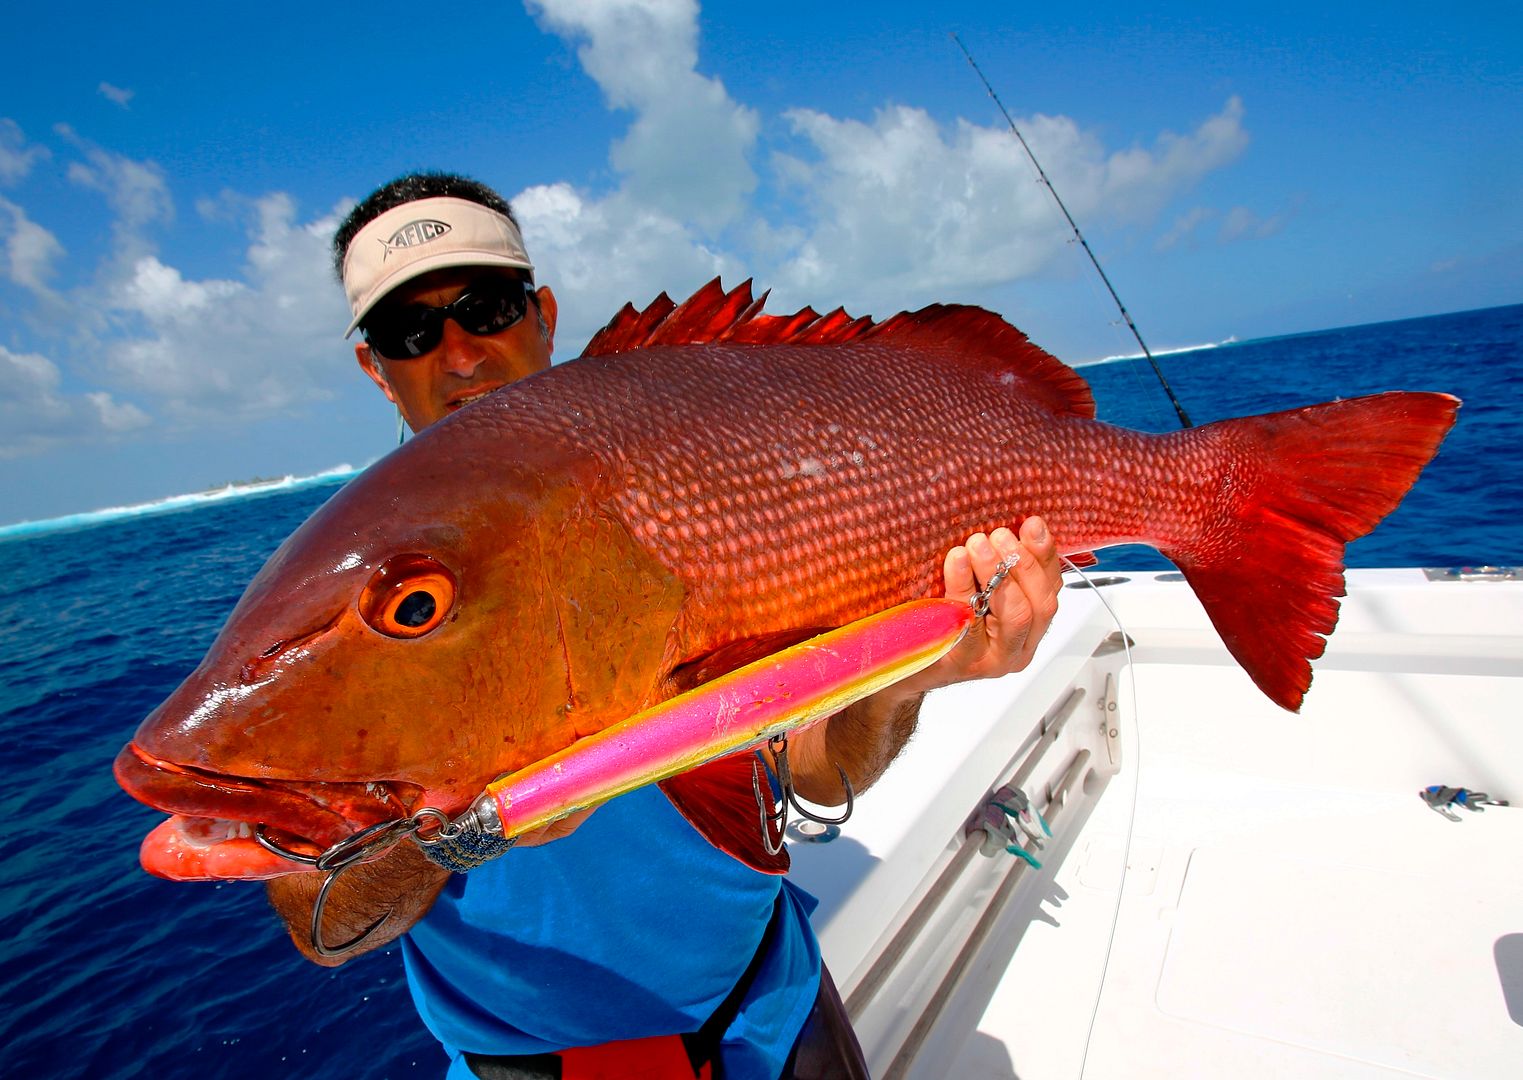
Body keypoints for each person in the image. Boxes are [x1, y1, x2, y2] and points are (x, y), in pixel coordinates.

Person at [265, 171, 1063, 1080]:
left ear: (543, 314)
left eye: (485, 307)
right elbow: (318, 922)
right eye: (409, 330)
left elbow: (822, 767)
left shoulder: (701, 481)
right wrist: (453, 833)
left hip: (775, 1014)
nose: (458, 353)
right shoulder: (345, 599)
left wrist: (913, 675)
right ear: (375, 365)